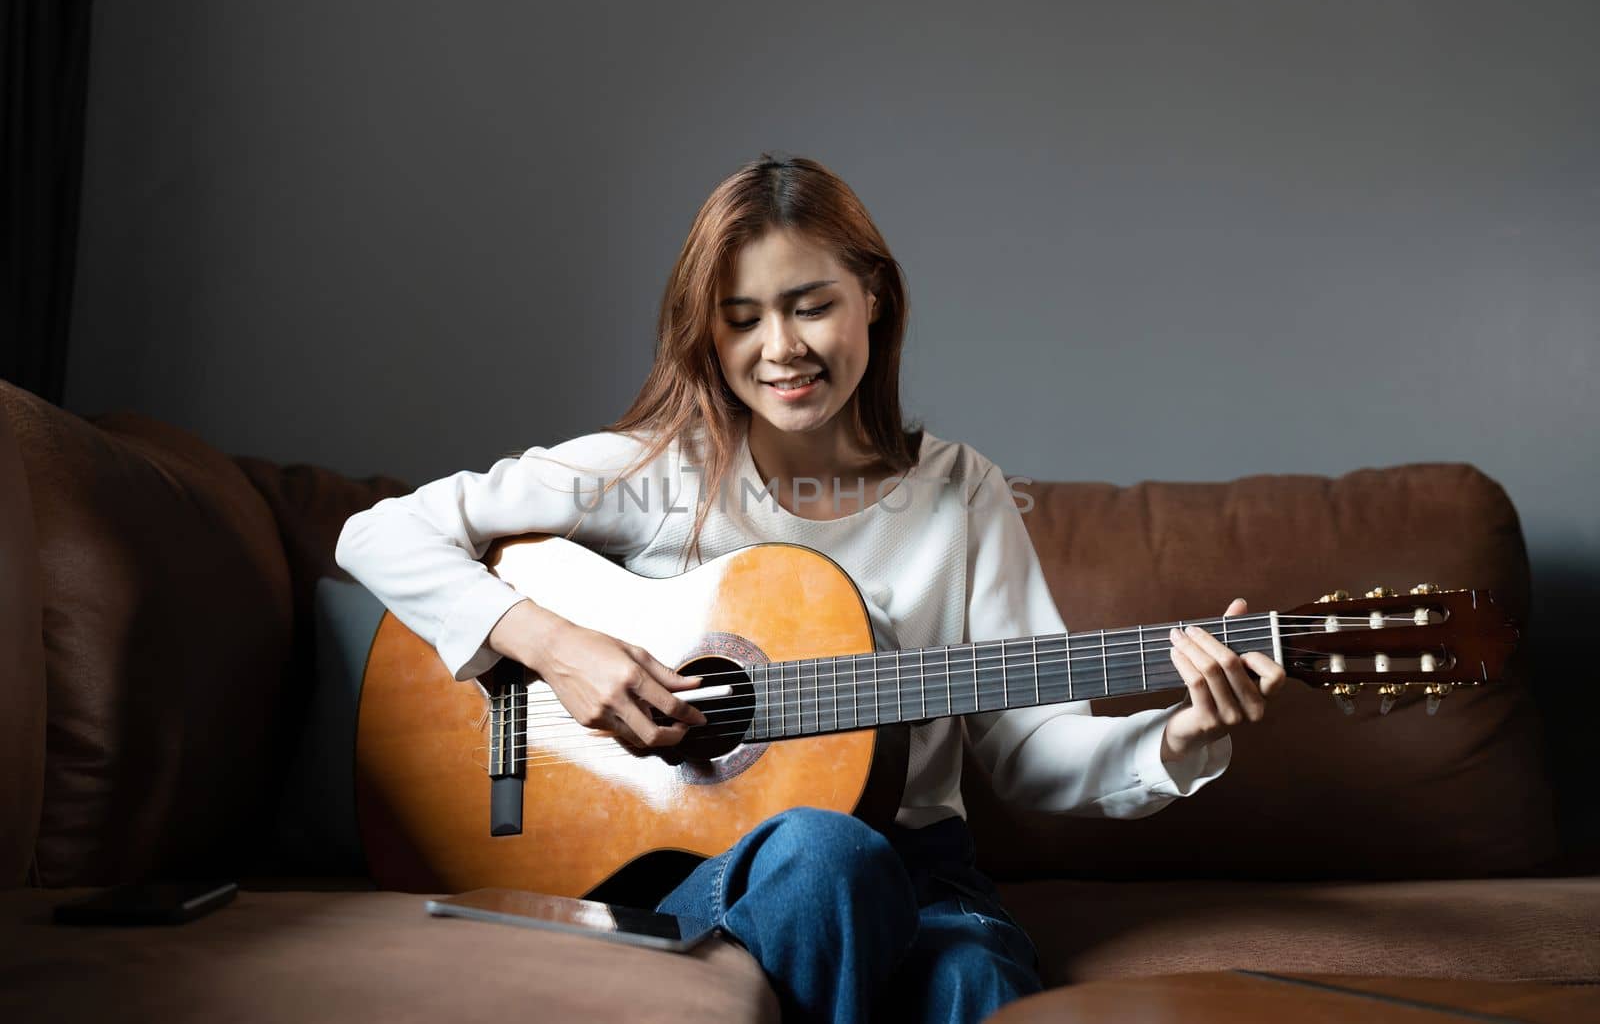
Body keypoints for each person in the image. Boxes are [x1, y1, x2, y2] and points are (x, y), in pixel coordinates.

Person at [335, 153, 1287, 1023]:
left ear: (873, 294)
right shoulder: (664, 472)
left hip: (921, 875)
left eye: (809, 304)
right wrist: (555, 644)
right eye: (742, 318)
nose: (780, 346)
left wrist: (1179, 735)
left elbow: (1031, 749)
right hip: (709, 880)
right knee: (826, 854)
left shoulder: (960, 494)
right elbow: (376, 531)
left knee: (975, 983)